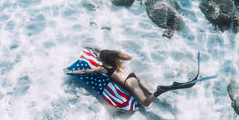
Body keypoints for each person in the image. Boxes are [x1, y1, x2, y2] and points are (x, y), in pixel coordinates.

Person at [64, 49, 216, 107]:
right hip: (134, 75)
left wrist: (70, 71)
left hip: (128, 82)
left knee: (146, 102)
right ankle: (160, 89)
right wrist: (95, 49)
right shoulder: (116, 59)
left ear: (103, 61)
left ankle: (158, 92)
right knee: (149, 89)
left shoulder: (102, 68)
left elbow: (86, 72)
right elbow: (103, 51)